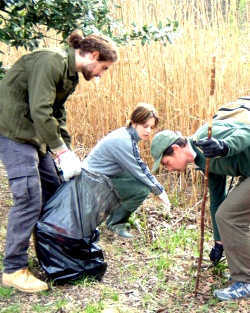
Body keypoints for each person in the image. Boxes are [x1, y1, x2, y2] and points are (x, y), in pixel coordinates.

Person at [0, 31, 119, 293]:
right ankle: (13, 270)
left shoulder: (70, 75)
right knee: (29, 197)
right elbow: (40, 110)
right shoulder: (50, 61)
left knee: (55, 193)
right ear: (94, 56)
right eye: (103, 68)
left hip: (34, 135)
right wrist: (60, 151)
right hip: (13, 131)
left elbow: (57, 114)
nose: (101, 74)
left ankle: (51, 253)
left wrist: (69, 151)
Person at [150, 120, 250, 301]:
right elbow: (217, 200)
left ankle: (245, 281)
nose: (169, 169)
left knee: (230, 216)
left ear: (176, 148)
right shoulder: (203, 163)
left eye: (166, 163)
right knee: (227, 214)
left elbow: (247, 131)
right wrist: (219, 242)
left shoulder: (207, 137)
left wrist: (224, 146)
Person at [82, 103, 171, 239]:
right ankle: (115, 224)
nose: (148, 131)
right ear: (134, 123)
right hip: (90, 183)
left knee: (136, 179)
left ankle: (112, 217)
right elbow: (140, 169)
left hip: (94, 178)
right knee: (142, 190)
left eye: (151, 127)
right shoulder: (124, 141)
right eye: (145, 126)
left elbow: (137, 170)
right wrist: (160, 192)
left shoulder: (125, 135)